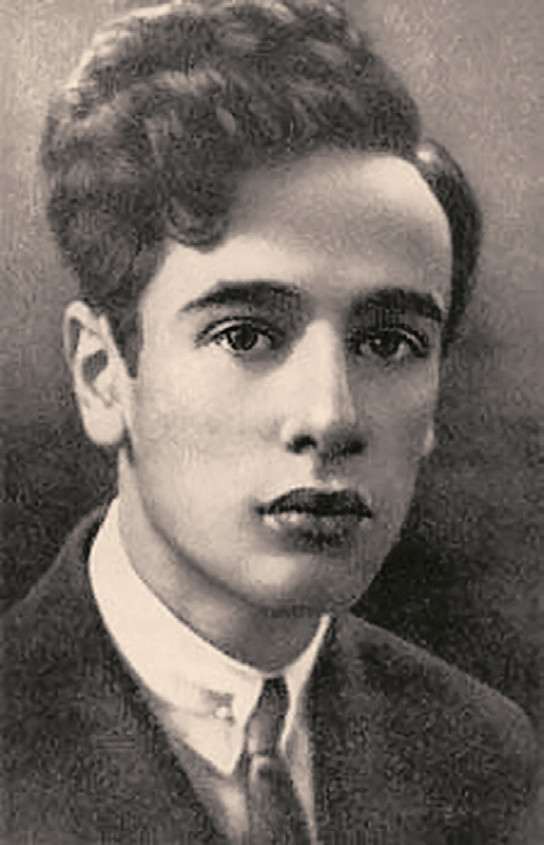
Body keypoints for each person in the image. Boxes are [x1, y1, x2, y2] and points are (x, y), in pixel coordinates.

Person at [1, 1, 537, 842]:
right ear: (103, 376)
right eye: (246, 334)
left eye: (389, 342)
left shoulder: (483, 754)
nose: (330, 415)